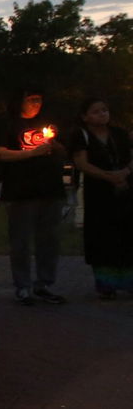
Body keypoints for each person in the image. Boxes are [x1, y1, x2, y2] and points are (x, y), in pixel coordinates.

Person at [0, 86, 68, 305]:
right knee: (21, 241)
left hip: (51, 189)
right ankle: (23, 286)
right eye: (32, 99)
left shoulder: (48, 124)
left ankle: (44, 284)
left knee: (49, 239)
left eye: (39, 99)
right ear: (20, 100)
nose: (37, 104)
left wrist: (54, 145)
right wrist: (31, 153)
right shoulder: (9, 124)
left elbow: (64, 152)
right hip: (21, 191)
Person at [68, 98, 133, 298]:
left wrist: (125, 172)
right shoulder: (81, 135)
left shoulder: (119, 134)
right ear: (85, 116)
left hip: (124, 189)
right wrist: (108, 176)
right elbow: (81, 163)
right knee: (103, 235)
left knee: (126, 233)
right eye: (96, 111)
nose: (102, 114)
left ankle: (127, 281)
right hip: (99, 192)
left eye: (104, 110)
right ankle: (106, 283)